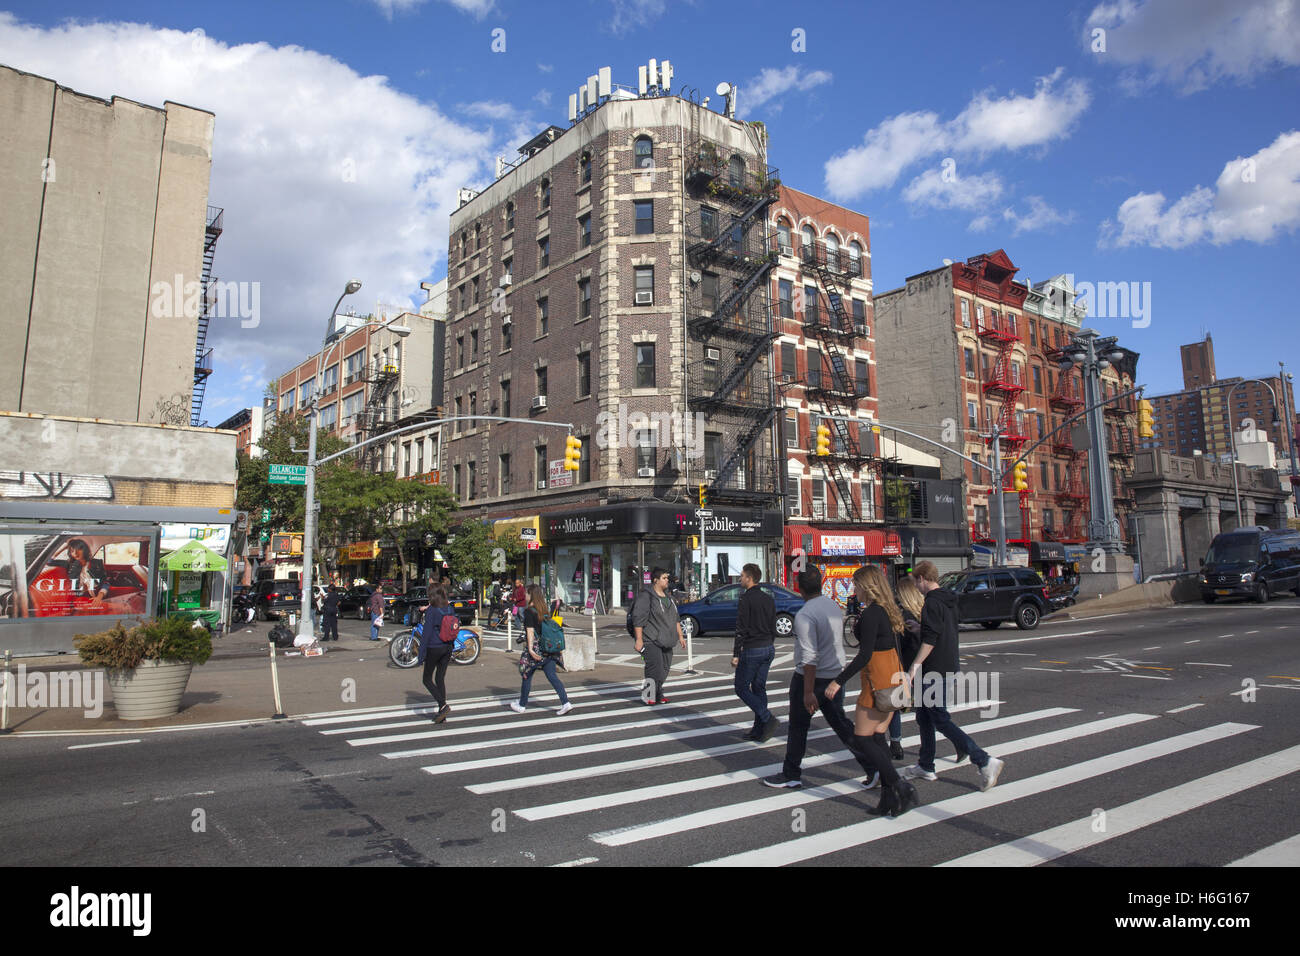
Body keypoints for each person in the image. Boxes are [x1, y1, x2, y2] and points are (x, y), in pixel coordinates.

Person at [762, 566, 881, 790]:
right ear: (821, 583)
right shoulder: (832, 605)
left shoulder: (805, 615)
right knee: (842, 725)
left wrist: (808, 692)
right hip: (834, 674)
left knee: (798, 726)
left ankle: (791, 773)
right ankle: (871, 766)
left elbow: (809, 657)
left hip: (811, 679)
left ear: (799, 587)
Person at [823, 566, 919, 817]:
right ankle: (888, 799)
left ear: (867, 586)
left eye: (856, 585)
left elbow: (864, 654)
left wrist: (838, 681)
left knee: (863, 738)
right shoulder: (887, 610)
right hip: (893, 680)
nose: (854, 589)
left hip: (877, 682)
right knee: (877, 737)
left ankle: (900, 786)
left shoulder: (872, 614)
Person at [903, 560, 1005, 790]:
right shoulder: (948, 600)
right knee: (925, 717)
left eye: (916, 583)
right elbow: (941, 630)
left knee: (938, 718)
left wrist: (914, 666)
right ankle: (926, 764)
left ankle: (983, 760)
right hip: (949, 664)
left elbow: (930, 640)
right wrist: (920, 628)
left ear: (921, 579)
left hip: (934, 668)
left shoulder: (930, 603)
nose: (916, 589)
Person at [732, 563, 778, 742]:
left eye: (742, 576)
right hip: (768, 647)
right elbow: (773, 624)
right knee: (759, 688)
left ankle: (766, 717)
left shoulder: (746, 598)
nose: (740, 579)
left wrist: (736, 653)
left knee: (741, 687)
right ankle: (759, 729)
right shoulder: (768, 598)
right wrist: (770, 643)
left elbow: (741, 627)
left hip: (752, 648)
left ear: (750, 578)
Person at [510, 585, 573, 715]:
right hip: (549, 647)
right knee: (551, 675)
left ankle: (521, 705)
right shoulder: (543, 610)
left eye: (527, 593)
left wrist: (531, 650)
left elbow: (530, 631)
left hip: (537, 648)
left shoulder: (529, 611)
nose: (525, 596)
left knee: (526, 674)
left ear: (531, 595)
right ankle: (566, 702)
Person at [631, 567, 686, 705]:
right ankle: (648, 695)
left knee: (664, 669)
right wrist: (639, 640)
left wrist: (680, 636)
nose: (667, 580)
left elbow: (676, 618)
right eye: (664, 578)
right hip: (651, 639)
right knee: (654, 668)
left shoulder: (668, 597)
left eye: (667, 578)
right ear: (656, 580)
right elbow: (638, 618)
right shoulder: (646, 596)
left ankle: (658, 693)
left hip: (668, 639)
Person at [889, 575, 926, 760]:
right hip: (925, 668)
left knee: (895, 707)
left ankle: (895, 742)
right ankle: (955, 743)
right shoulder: (924, 613)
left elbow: (898, 644)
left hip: (906, 668)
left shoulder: (903, 616)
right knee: (928, 714)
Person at [418, 585, 454, 723]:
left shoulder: (432, 610)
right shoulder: (449, 608)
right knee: (440, 678)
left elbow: (426, 633)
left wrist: (421, 655)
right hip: (448, 647)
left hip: (434, 646)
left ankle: (443, 705)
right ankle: (442, 712)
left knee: (427, 679)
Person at [65, 538, 108, 612]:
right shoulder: (69, 566)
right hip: (81, 599)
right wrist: (67, 545)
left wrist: (99, 596)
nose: (75, 553)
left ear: (84, 550)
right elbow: (50, 561)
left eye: (78, 549)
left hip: (100, 596)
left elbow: (106, 582)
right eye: (72, 551)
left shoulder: (97, 563)